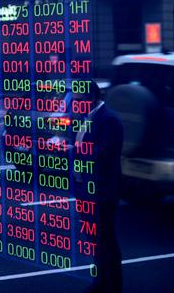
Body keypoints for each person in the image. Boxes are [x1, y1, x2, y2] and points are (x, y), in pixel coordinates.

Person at [74, 79, 124, 293]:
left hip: (101, 194)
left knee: (107, 243)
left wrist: (70, 149)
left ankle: (112, 286)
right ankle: (100, 283)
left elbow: (102, 155)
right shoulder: (86, 118)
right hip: (86, 192)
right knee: (95, 242)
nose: (74, 104)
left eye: (78, 100)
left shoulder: (109, 120)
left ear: (91, 98)